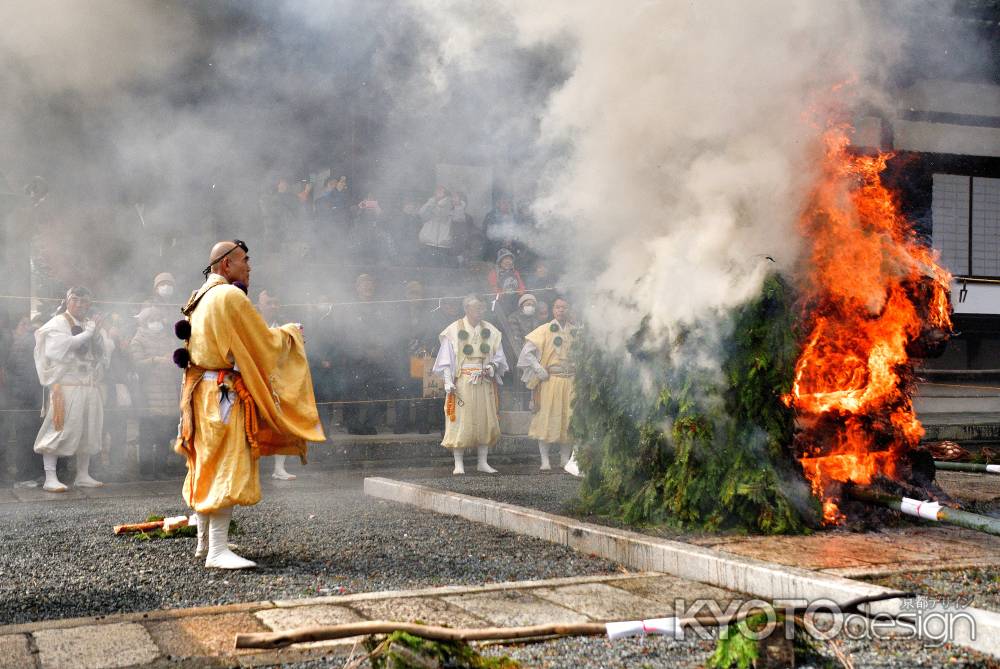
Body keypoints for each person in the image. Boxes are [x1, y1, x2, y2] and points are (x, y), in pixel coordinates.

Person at [174, 240, 324, 569]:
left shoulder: (199, 295)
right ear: (226, 264)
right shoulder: (229, 295)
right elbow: (263, 342)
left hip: (200, 389)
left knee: (206, 461)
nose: (249, 267)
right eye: (244, 260)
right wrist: (290, 333)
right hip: (222, 391)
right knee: (226, 462)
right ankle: (217, 551)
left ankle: (205, 542)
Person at [33, 287, 114, 492]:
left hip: (89, 385)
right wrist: (87, 334)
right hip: (66, 387)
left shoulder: (89, 324)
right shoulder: (58, 322)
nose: (79, 304)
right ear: (67, 301)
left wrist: (97, 335)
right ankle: (50, 477)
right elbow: (57, 350)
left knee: (88, 429)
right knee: (57, 430)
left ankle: (82, 474)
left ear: (89, 304)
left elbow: (104, 352)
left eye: (84, 301)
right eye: (75, 299)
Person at [433, 295, 508, 474]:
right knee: (461, 420)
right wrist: (448, 381)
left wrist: (491, 367)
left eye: (482, 308)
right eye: (476, 308)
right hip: (463, 381)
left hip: (484, 380)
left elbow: (499, 356)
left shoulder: (491, 330)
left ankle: (483, 462)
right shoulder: (453, 329)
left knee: (485, 419)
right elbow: (446, 359)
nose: (480, 311)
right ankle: (458, 463)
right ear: (466, 309)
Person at [518, 296, 579, 476]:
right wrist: (538, 368)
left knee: (568, 419)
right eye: (558, 307)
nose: (561, 310)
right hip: (550, 381)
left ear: (568, 310)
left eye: (564, 307)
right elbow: (526, 353)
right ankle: (545, 460)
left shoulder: (575, 331)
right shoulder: (544, 329)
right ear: (553, 310)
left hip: (570, 380)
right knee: (546, 418)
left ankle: (564, 459)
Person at [130, 303, 180, 479]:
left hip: (168, 390)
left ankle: (161, 468)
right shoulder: (137, 340)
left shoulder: (169, 339)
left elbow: (178, 360)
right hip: (147, 392)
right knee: (147, 433)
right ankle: (145, 471)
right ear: (144, 322)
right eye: (152, 319)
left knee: (164, 433)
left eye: (158, 319)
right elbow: (137, 364)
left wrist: (174, 361)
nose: (156, 322)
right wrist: (155, 360)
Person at [257, 289, 296, 481]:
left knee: (281, 424)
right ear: (260, 305)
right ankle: (248, 468)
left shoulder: (285, 327)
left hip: (277, 380)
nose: (273, 306)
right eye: (269, 303)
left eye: (275, 303)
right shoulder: (251, 324)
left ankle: (279, 468)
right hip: (254, 379)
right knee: (251, 425)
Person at [5, 315, 45, 487]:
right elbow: (24, 372)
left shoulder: (23, 341)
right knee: (27, 437)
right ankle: (24, 476)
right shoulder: (30, 341)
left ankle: (32, 474)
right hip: (26, 398)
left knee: (30, 436)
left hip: (25, 396)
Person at [505, 293, 542, 410]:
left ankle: (534, 406)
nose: (530, 307)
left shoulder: (536, 319)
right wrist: (527, 352)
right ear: (521, 305)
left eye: (533, 305)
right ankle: (520, 407)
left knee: (534, 383)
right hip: (518, 354)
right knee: (520, 382)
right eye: (528, 304)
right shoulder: (513, 318)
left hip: (535, 355)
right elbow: (516, 338)